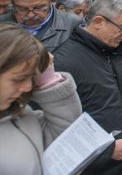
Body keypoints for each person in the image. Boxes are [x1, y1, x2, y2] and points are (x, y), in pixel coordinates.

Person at [54, 0, 122, 175]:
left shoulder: (114, 51)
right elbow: (56, 132)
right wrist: (106, 152)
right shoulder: (63, 62)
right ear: (99, 22)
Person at [0, 24, 82, 175]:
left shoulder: (22, 115)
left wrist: (47, 78)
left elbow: (67, 137)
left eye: (32, 78)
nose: (28, 87)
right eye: (19, 79)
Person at [0, 0, 81, 53]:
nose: (30, 15)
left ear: (51, 1)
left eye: (38, 8)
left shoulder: (73, 24)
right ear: (13, 4)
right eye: (22, 9)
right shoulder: (2, 23)